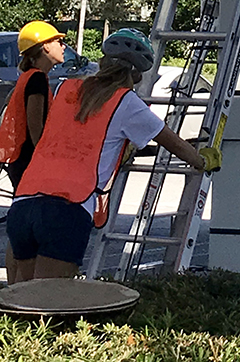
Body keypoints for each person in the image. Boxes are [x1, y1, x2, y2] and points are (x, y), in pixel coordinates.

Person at [5, 28, 221, 283]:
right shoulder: (126, 101)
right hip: (68, 207)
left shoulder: (67, 88)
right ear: (136, 74)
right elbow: (171, 142)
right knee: (50, 297)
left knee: (21, 297)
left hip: (25, 200)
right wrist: (202, 160)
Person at [0, 20, 66, 283]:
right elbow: (35, 125)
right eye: (58, 41)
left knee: (20, 223)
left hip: (21, 160)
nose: (63, 46)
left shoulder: (29, 77)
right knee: (26, 227)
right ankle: (19, 285)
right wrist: (45, 162)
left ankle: (13, 285)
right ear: (44, 47)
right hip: (29, 162)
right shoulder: (37, 79)